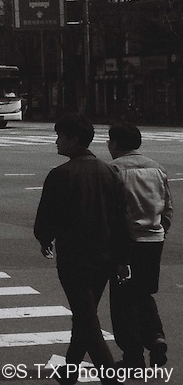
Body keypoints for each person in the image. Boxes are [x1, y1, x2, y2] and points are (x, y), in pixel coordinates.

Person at [34, 113, 134, 385]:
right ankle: (69, 372)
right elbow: (122, 219)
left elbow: (46, 218)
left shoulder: (60, 175)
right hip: (105, 256)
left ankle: (109, 377)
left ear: (74, 140)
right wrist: (123, 258)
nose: (56, 141)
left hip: (73, 257)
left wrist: (45, 239)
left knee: (87, 319)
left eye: (60, 136)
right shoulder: (109, 173)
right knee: (85, 314)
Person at [107, 122, 172, 368]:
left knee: (122, 299)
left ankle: (133, 355)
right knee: (143, 292)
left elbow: (111, 212)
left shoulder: (114, 169)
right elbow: (167, 208)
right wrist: (159, 229)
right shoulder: (157, 168)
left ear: (115, 143)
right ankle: (155, 336)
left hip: (126, 242)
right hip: (154, 239)